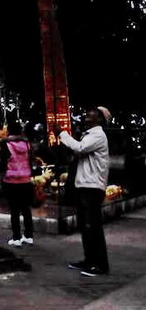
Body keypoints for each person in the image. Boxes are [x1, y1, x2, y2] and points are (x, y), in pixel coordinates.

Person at [54, 106, 111, 277]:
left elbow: (79, 148)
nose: (89, 113)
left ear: (100, 119)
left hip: (92, 187)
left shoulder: (98, 135)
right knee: (86, 227)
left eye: (94, 112)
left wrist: (62, 134)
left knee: (92, 227)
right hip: (86, 185)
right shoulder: (90, 135)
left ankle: (99, 265)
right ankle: (89, 260)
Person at [0, 121, 35, 247]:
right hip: (26, 179)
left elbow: (3, 163)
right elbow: (30, 160)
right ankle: (29, 236)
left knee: (14, 210)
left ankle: (16, 237)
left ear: (9, 131)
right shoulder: (27, 144)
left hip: (11, 180)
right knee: (26, 209)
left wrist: (0, 174)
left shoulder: (6, 144)